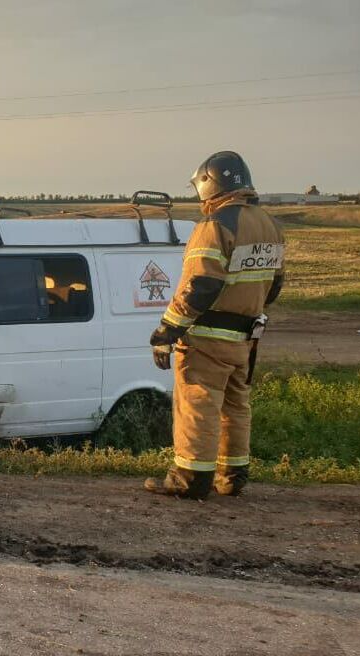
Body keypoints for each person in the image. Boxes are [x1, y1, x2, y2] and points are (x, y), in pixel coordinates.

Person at [145, 151, 285, 500]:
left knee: (198, 403)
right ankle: (232, 476)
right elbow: (275, 285)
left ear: (209, 184)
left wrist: (168, 330)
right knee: (236, 406)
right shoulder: (271, 225)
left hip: (207, 338)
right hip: (245, 338)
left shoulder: (215, 226)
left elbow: (201, 285)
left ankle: (190, 479)